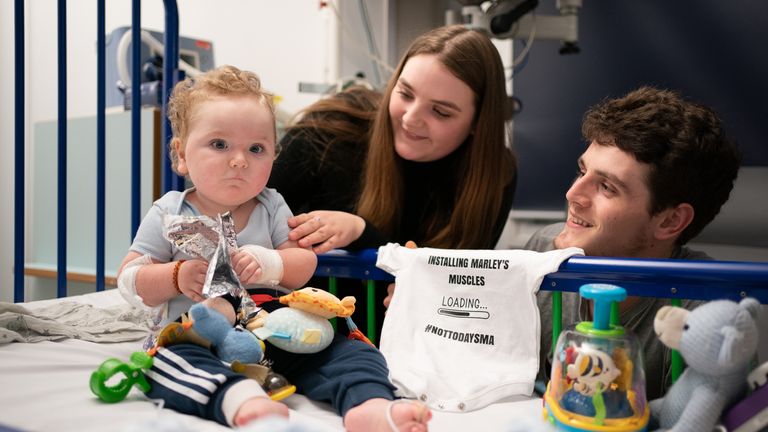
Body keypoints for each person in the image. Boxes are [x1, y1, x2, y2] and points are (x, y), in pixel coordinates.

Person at [117, 65, 430, 431]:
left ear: (273, 156)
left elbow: (303, 263)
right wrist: (175, 275)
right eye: (219, 145)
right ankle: (239, 400)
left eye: (256, 148)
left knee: (347, 349)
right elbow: (129, 279)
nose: (239, 160)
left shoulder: (272, 205)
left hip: (273, 331)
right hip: (198, 335)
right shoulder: (168, 211)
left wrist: (269, 264)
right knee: (165, 361)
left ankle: (370, 404)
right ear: (181, 153)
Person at [269, 24, 518, 334]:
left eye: (440, 112)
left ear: (477, 123)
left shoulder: (493, 176)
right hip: (291, 331)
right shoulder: (332, 131)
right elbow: (245, 220)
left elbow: (458, 287)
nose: (412, 118)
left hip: (405, 350)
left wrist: (362, 233)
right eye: (405, 93)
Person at [526, 86, 742, 400]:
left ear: (669, 221)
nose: (573, 194)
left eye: (607, 187)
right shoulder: (541, 253)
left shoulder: (707, 311)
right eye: (581, 171)